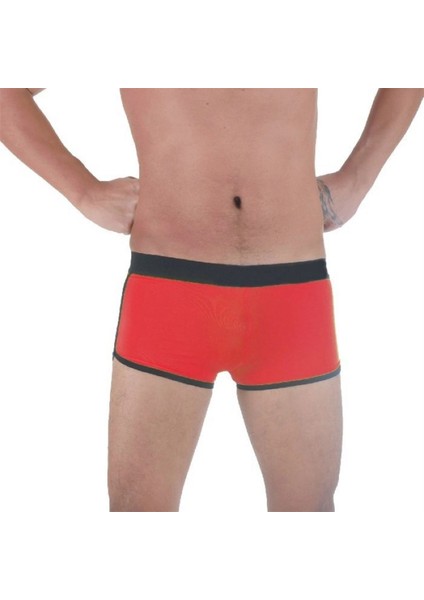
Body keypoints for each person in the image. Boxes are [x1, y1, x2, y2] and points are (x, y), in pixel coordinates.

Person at [1, 88, 422, 512]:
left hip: (292, 293)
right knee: (137, 513)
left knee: (308, 509)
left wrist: (357, 179)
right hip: (170, 289)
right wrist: (83, 191)